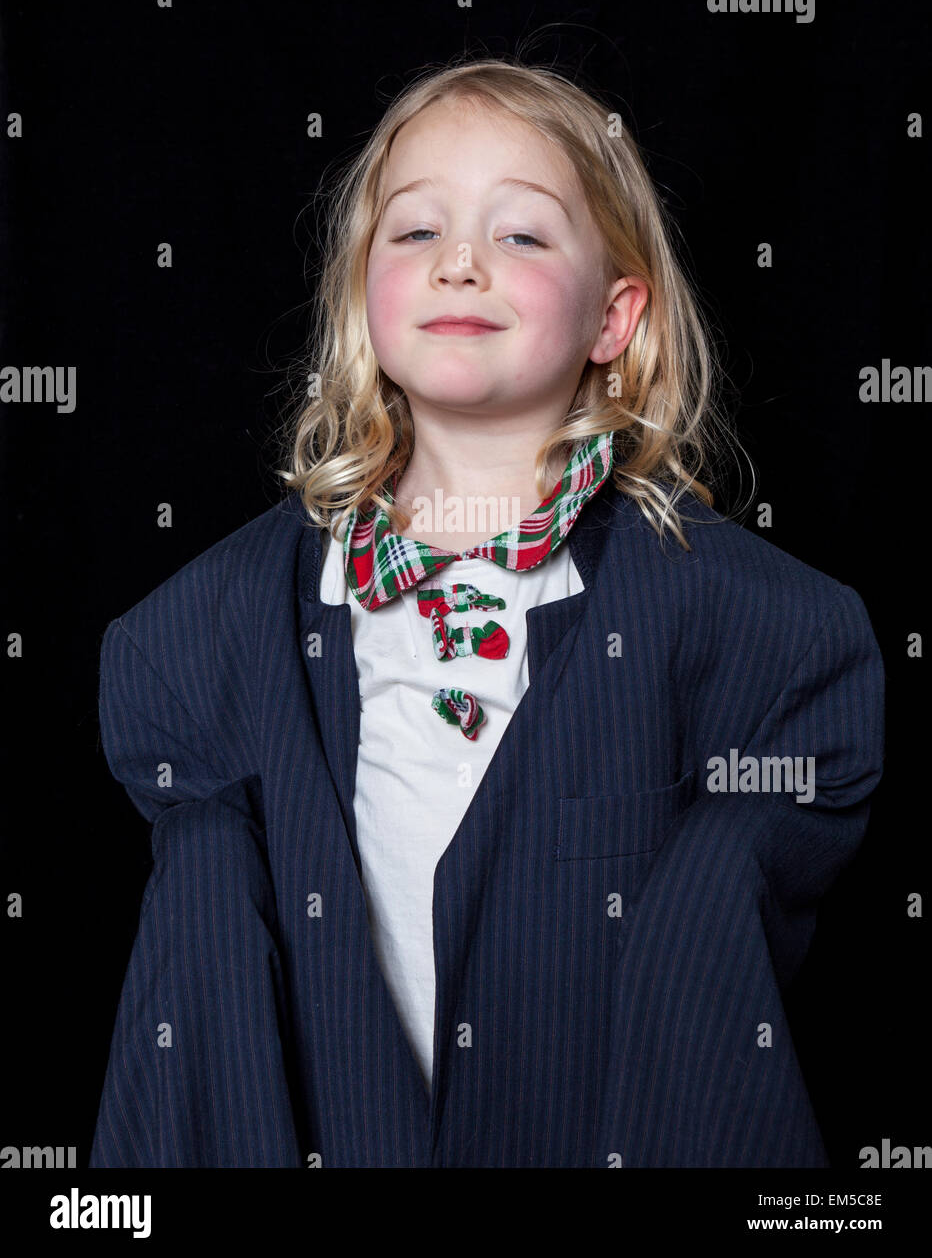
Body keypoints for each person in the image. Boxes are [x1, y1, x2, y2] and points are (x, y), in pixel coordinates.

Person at [89, 57, 884, 1168]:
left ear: (614, 317)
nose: (459, 262)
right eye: (414, 234)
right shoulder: (211, 636)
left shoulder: (745, 632)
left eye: (520, 235)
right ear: (362, 297)